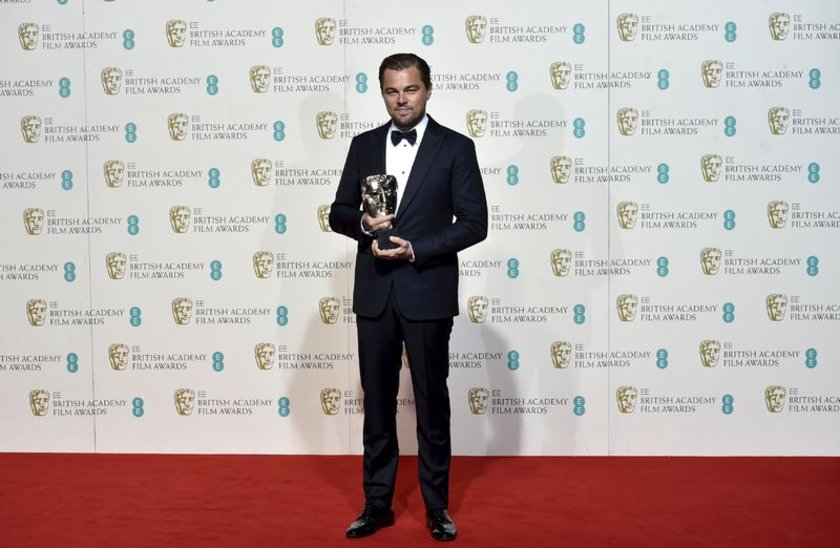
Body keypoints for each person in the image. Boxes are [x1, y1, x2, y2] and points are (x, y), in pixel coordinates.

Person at [329, 52, 488, 542]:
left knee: (431, 402)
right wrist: (363, 224)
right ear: (383, 93)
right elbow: (338, 212)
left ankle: (437, 507)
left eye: (410, 89)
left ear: (428, 89)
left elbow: (474, 223)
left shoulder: (456, 147)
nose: (401, 99)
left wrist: (417, 248)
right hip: (375, 293)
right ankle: (376, 504)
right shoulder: (363, 145)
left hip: (427, 291)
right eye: (392, 91)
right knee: (377, 404)